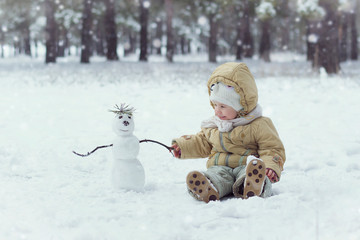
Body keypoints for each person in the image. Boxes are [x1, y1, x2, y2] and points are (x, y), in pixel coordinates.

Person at [171, 62, 286, 203]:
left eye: (223, 106)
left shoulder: (259, 124)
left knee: (251, 173)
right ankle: (208, 186)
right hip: (220, 167)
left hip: (247, 165)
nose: (217, 111)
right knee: (216, 175)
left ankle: (254, 184)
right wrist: (182, 147)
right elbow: (201, 142)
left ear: (241, 106)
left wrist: (270, 167)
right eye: (215, 105)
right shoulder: (214, 125)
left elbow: (272, 148)